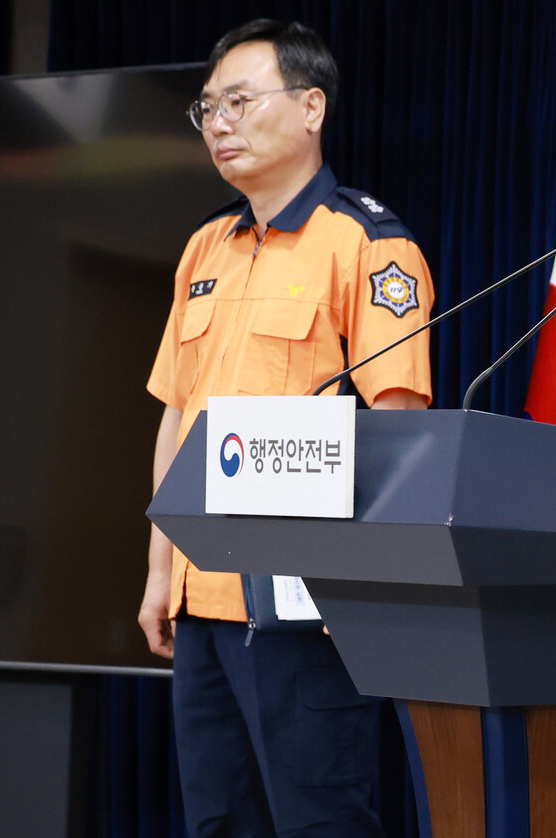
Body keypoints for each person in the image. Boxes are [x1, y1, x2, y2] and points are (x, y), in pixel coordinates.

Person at [139, 19, 433, 836]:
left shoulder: (368, 243)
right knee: (216, 820)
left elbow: (397, 424)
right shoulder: (204, 248)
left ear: (311, 107)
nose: (219, 122)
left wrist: (363, 578)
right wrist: (161, 572)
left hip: (302, 603)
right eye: (207, 109)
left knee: (320, 819)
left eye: (238, 100)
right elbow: (177, 414)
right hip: (202, 598)